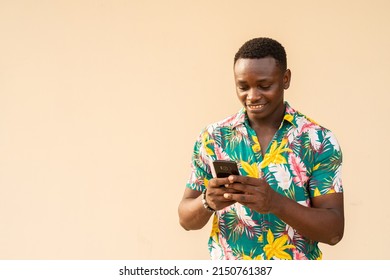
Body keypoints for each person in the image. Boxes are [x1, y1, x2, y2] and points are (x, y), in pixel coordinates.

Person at [178, 37, 344, 260]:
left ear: (285, 79)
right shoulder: (213, 137)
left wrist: (276, 203)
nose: (253, 96)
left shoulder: (318, 139)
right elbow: (185, 219)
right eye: (243, 87)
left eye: (264, 86)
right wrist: (207, 202)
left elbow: (334, 232)